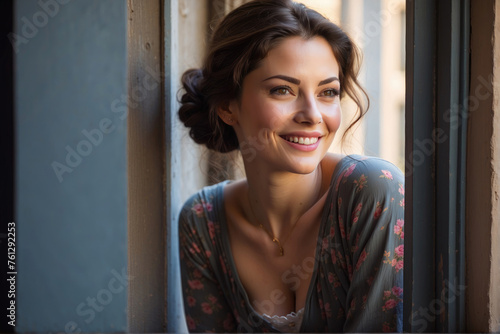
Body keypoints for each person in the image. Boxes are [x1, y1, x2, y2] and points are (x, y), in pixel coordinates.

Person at [177, 0, 404, 332]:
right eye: (282, 90)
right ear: (228, 106)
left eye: (328, 92)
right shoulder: (203, 224)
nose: (312, 115)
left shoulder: (371, 191)